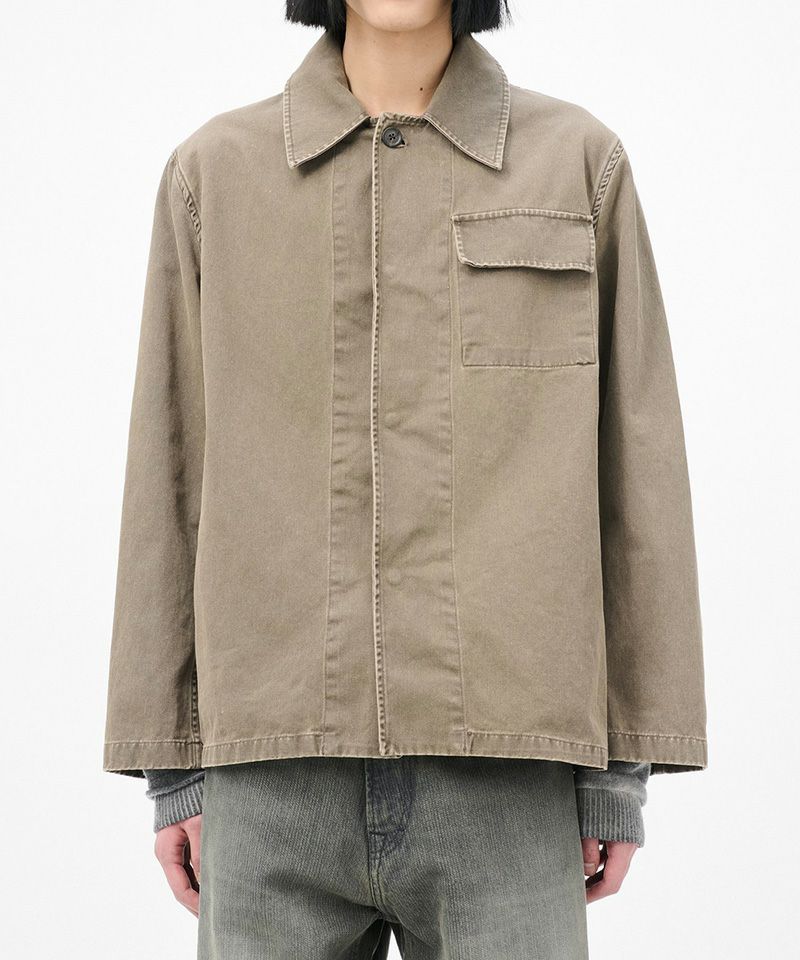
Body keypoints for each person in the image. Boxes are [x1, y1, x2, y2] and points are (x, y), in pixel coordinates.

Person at [103, 1, 708, 956]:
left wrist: (619, 769)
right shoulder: (213, 176)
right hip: (270, 782)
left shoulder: (577, 165)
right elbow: (168, 474)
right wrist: (172, 766)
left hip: (508, 781)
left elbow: (636, 470)